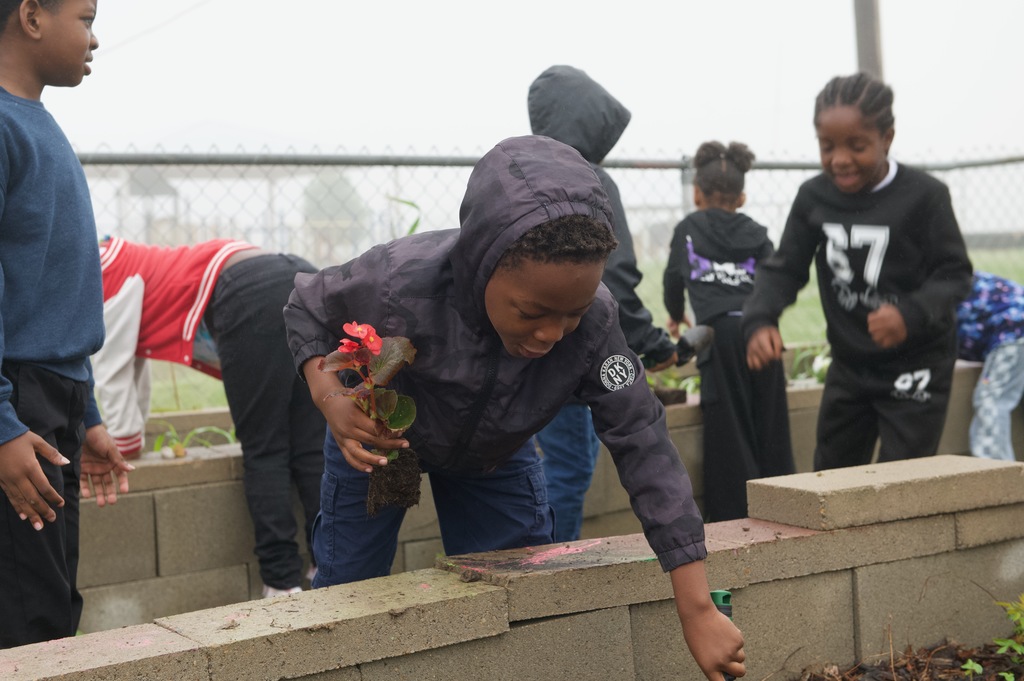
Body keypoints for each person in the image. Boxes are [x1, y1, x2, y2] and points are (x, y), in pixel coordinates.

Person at [284, 135, 745, 679]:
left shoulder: (596, 327)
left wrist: (697, 608)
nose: (551, 333)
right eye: (530, 312)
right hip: (380, 440)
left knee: (518, 607)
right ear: (481, 265)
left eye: (572, 314)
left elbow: (644, 444)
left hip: (493, 458)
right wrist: (331, 398)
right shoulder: (397, 280)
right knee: (346, 594)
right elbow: (307, 305)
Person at [743, 72, 973, 471]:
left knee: (902, 482)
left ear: (887, 138)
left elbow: (955, 274)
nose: (840, 159)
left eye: (857, 146)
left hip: (916, 365)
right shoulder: (813, 196)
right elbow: (784, 268)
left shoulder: (925, 196)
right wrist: (760, 318)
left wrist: (909, 314)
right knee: (832, 479)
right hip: (850, 365)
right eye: (827, 146)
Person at [526, 64, 711, 541]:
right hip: (572, 356)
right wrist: (652, 343)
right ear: (591, 122)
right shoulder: (592, 181)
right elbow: (616, 282)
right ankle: (549, 564)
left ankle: (537, 555)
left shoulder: (525, 176)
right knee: (569, 470)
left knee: (543, 468)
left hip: (524, 353)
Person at [0, 0, 134, 648]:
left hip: (56, 401)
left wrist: (89, 417)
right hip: (16, 404)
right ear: (31, 16)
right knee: (27, 618)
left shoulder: (39, 125)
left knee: (55, 601)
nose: (94, 38)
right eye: (85, 18)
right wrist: (3, 427)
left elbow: (51, 298)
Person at [93, 237, 326, 598]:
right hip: (300, 275)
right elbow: (131, 357)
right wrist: (130, 436)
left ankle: (281, 583)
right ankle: (328, 566)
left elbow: (112, 368)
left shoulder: (102, 271)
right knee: (311, 444)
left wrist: (124, 442)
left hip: (250, 288)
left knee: (266, 449)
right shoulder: (124, 257)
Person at [663, 141, 795, 521]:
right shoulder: (757, 231)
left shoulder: (688, 229)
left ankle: (736, 518)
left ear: (697, 194)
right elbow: (776, 281)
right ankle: (784, 506)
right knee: (771, 422)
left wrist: (676, 314)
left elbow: (673, 278)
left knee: (729, 429)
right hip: (760, 331)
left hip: (717, 335)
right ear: (741, 197)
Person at [955, 271, 1024, 461]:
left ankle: (996, 472)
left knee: (991, 399)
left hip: (1014, 332)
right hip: (1013, 329)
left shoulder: (939, 285)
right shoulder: (951, 275)